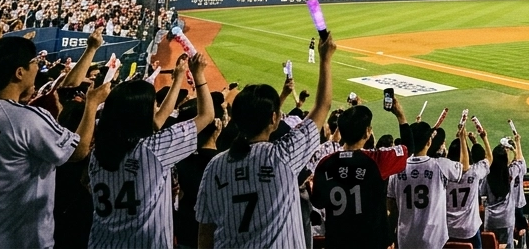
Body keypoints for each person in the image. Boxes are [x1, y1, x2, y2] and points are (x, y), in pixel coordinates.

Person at [0, 36, 108, 249]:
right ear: (19, 72)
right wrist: (92, 104)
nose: (37, 67)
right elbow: (78, 151)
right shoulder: (26, 118)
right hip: (12, 243)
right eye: (34, 62)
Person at [196, 32, 335, 249]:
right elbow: (322, 106)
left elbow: (205, 233)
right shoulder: (284, 156)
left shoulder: (214, 166)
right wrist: (325, 58)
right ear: (274, 119)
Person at [87, 54, 215, 249]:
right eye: (154, 104)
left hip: (101, 243)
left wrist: (178, 78)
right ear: (141, 114)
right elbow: (207, 115)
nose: (156, 108)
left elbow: (155, 124)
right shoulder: (155, 149)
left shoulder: (98, 154)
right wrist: (198, 74)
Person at [311, 105, 408, 249]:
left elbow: (318, 202)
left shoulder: (325, 163)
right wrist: (400, 116)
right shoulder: (377, 160)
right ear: (367, 132)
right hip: (372, 243)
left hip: (338, 243)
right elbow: (409, 148)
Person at [387, 117, 470, 249]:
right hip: (433, 239)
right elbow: (465, 167)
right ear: (429, 142)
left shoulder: (397, 169)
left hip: (405, 239)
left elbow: (391, 205)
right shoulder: (440, 165)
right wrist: (462, 138)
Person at [172, 100, 225, 249]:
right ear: (218, 126)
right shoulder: (224, 164)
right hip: (217, 239)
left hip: (182, 236)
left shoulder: (176, 162)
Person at [445, 127, 491, 248]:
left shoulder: (443, 174)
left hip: (448, 229)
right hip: (470, 229)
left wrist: (461, 139)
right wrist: (483, 138)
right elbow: (489, 159)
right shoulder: (475, 172)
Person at [480, 134, 525, 249]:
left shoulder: (487, 175)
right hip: (506, 218)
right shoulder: (510, 172)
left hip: (490, 219)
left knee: (490, 246)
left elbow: (482, 193)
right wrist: (515, 146)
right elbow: (520, 162)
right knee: (508, 246)